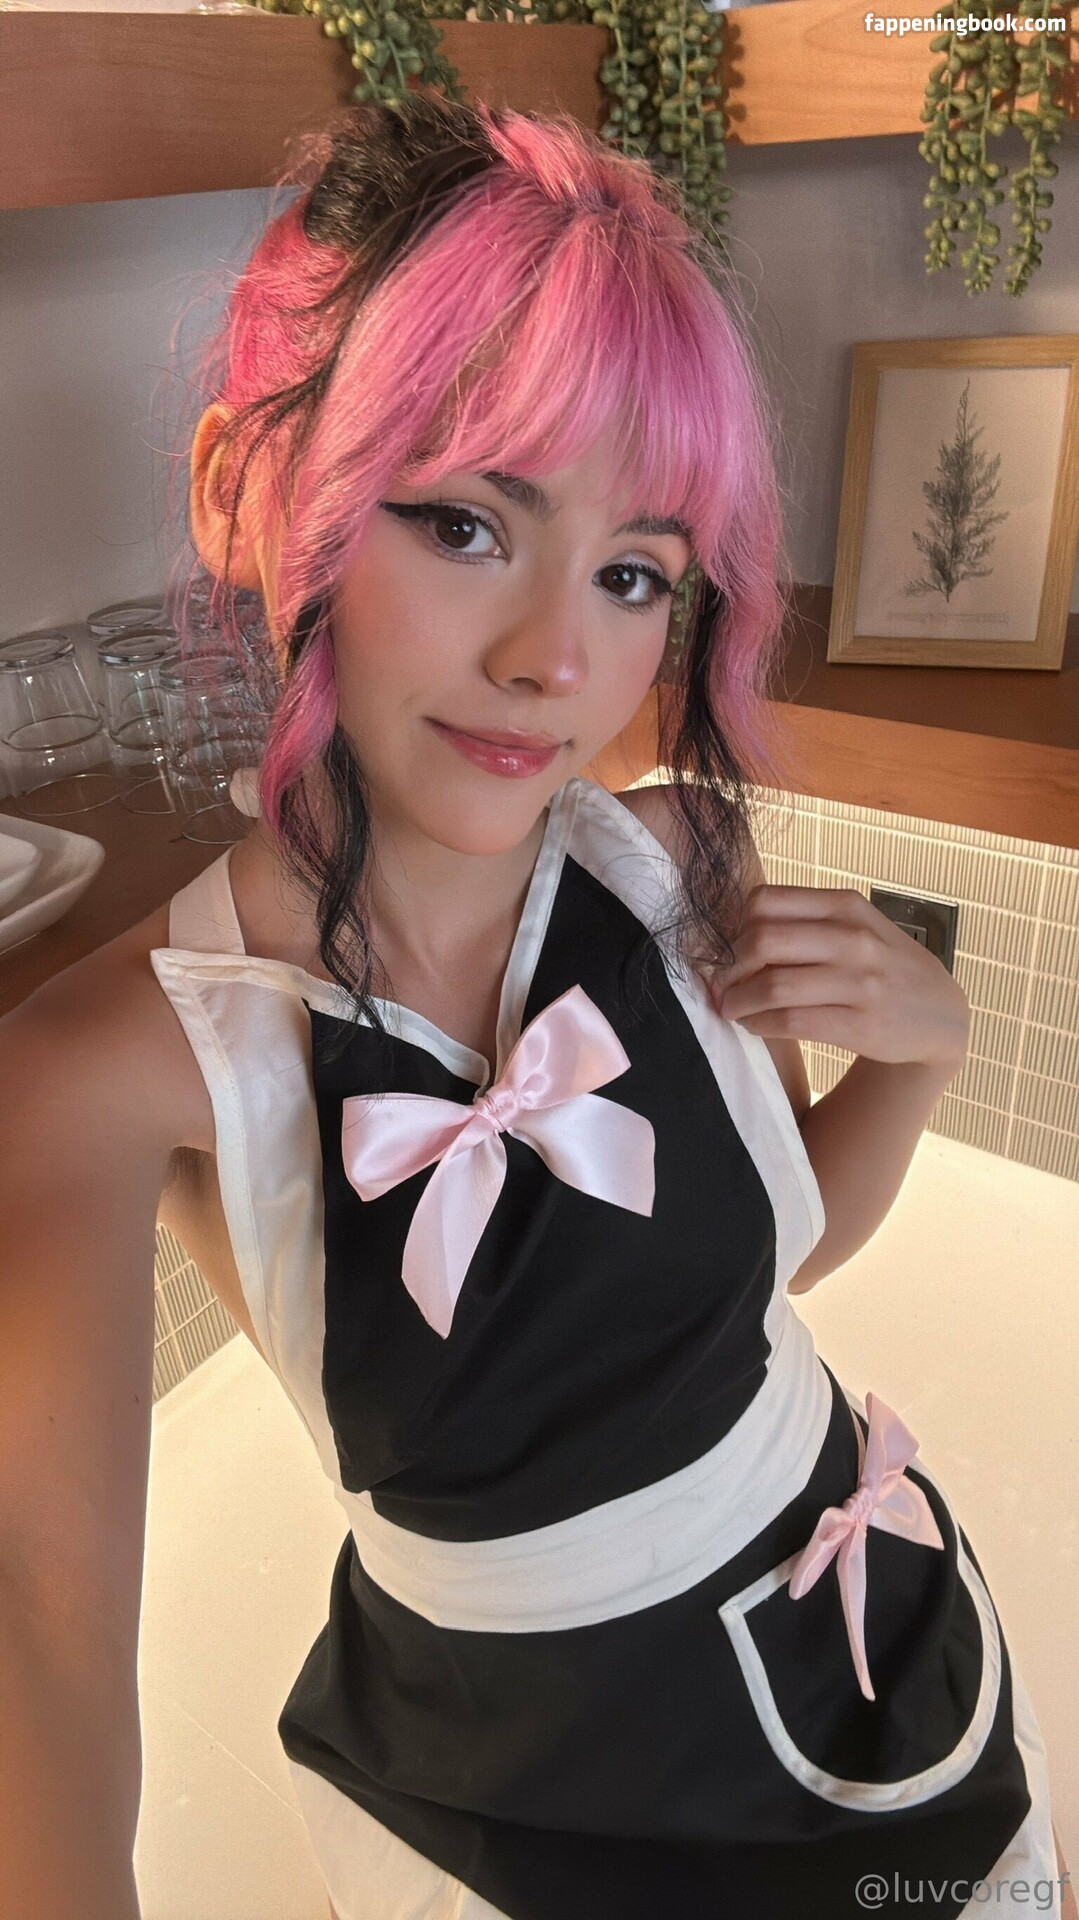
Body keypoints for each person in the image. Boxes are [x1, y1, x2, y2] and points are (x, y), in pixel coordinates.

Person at [0, 94, 1071, 1920]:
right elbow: (44, 1645)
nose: (555, 659)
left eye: (633, 572)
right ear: (242, 494)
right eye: (464, 526)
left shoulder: (678, 861)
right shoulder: (118, 1064)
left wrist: (923, 1054)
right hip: (517, 1781)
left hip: (852, 1631)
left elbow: (765, 1270)